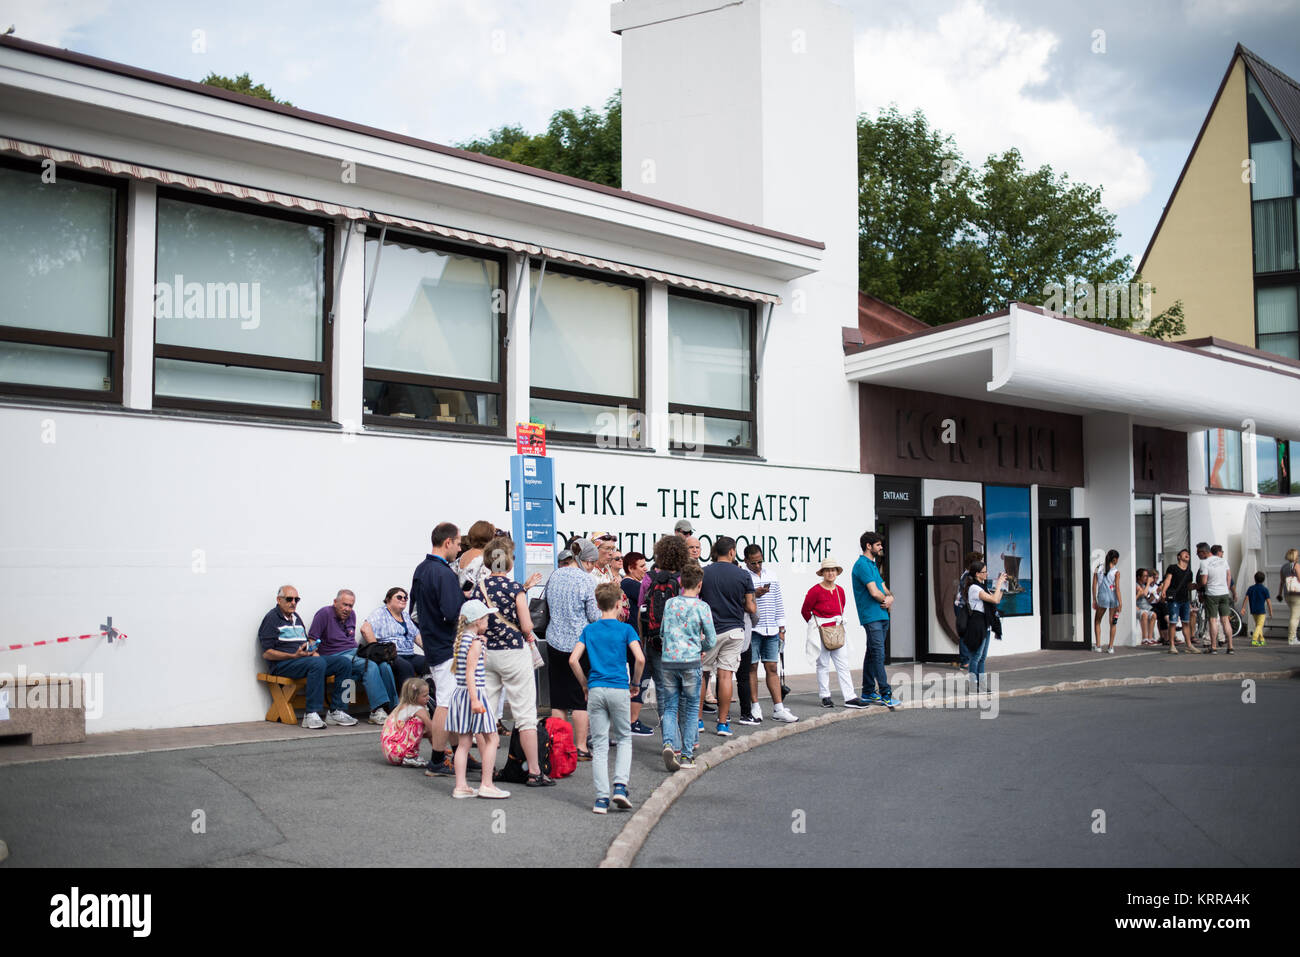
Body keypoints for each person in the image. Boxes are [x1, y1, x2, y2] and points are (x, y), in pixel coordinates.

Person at [476, 536, 553, 787]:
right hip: (514, 654)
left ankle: (488, 766)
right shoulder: (514, 589)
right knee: (525, 715)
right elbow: (527, 625)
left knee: (486, 713)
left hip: (487, 654)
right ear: (508, 563)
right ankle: (533, 771)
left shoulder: (480, 587)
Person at [571, 582, 644, 813]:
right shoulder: (626, 630)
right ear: (618, 603)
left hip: (596, 688)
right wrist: (636, 683)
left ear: (598, 604)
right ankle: (620, 787)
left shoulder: (589, 630)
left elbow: (573, 660)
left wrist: (584, 684)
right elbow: (639, 659)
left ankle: (601, 798)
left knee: (600, 745)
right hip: (619, 688)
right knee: (623, 738)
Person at [411, 522, 468, 777]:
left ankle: (457, 753)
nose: (458, 548)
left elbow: (413, 611)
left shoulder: (421, 569)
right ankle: (436, 758)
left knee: (449, 700)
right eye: (457, 543)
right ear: (447, 542)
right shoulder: (443, 573)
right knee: (446, 702)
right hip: (447, 645)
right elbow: (452, 613)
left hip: (434, 643)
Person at [258, 585, 354, 729]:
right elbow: (267, 653)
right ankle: (311, 714)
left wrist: (311, 651)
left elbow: (305, 643)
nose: (293, 603)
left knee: (344, 662)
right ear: (279, 600)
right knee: (317, 664)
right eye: (289, 599)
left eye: (296, 599)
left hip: (301, 660)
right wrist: (293, 655)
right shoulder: (272, 618)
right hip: (282, 665)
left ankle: (338, 710)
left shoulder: (296, 618)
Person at [445, 600, 508, 799]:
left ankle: (461, 785)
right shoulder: (475, 642)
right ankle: (487, 784)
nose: (488, 621)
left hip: (460, 694)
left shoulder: (463, 639)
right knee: (492, 738)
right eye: (486, 618)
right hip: (475, 694)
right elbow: (472, 672)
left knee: (464, 743)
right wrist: (475, 700)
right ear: (478, 621)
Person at [545, 538, 601, 761]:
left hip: (553, 641)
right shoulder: (588, 582)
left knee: (558, 698)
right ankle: (580, 747)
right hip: (579, 645)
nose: (593, 567)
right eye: (593, 563)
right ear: (586, 561)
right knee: (580, 698)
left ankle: (557, 744)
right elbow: (594, 616)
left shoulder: (555, 575)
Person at [657, 561, 716, 770]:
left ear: (681, 583)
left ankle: (668, 744)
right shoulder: (702, 607)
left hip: (669, 661)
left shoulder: (670, 603)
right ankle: (687, 755)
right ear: (699, 584)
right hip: (691, 661)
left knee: (670, 706)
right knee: (691, 709)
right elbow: (711, 638)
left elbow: (663, 632)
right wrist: (702, 647)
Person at [308, 589, 394, 724]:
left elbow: (349, 640)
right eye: (344, 605)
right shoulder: (324, 613)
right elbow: (312, 639)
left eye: (350, 606)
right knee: (369, 666)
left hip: (353, 652)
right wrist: (315, 657)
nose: (347, 609)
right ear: (335, 602)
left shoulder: (351, 615)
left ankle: (393, 708)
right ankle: (376, 711)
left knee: (383, 663)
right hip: (334, 655)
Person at [698, 536, 755, 736]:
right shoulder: (743, 575)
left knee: (703, 674)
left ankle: (698, 721)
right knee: (725, 675)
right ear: (732, 551)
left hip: (709, 629)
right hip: (734, 630)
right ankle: (722, 723)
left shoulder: (704, 572)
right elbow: (750, 606)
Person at [638, 535, 690, 728]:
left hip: (655, 641)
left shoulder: (649, 578)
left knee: (662, 687)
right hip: (682, 644)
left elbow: (641, 610)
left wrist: (643, 640)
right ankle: (685, 735)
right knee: (683, 690)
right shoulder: (685, 579)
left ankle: (668, 735)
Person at [741, 544, 797, 723]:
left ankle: (778, 708)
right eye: (753, 563)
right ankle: (755, 706)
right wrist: (754, 594)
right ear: (746, 561)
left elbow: (778, 602)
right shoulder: (743, 576)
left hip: (772, 628)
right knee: (752, 668)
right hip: (753, 628)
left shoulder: (771, 575)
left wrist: (782, 628)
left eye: (760, 562)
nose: (757, 566)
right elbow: (741, 602)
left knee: (772, 667)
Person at [852, 532, 899, 707]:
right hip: (871, 616)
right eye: (878, 545)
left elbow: (883, 587)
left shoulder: (872, 565)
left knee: (872, 653)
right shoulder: (862, 565)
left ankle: (868, 691)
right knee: (879, 654)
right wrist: (886, 600)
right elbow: (874, 591)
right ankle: (886, 693)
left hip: (881, 615)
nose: (881, 548)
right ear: (868, 546)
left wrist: (891, 597)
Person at [802, 559, 856, 708]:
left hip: (837, 630)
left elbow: (841, 609)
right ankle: (825, 696)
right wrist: (816, 626)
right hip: (821, 630)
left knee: (843, 664)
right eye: (827, 570)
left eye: (833, 570)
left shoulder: (840, 591)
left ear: (837, 572)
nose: (830, 573)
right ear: (823, 573)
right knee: (823, 664)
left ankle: (850, 696)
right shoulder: (815, 591)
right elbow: (805, 610)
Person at [361, 587, 426, 690]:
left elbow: (417, 636)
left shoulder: (406, 616)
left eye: (405, 598)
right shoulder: (380, 613)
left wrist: (431, 652)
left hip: (409, 654)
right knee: (406, 667)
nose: (403, 599)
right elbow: (365, 629)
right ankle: (407, 702)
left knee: (429, 663)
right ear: (388, 599)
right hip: (392, 655)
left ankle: (428, 699)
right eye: (399, 597)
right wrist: (378, 651)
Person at [620, 551, 654, 736]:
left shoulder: (628, 584)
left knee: (638, 677)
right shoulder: (629, 584)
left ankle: (630, 720)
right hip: (633, 638)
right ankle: (632, 721)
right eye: (641, 566)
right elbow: (649, 597)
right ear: (631, 568)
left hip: (632, 637)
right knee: (640, 677)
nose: (645, 569)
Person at [963, 561, 1006, 693]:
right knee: (975, 657)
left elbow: (997, 599)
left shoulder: (982, 586)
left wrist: (1003, 587)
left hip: (985, 625)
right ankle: (972, 686)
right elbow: (993, 599)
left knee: (982, 658)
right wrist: (998, 583)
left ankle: (981, 686)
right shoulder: (974, 588)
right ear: (977, 574)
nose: (987, 573)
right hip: (977, 626)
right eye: (984, 572)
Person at [381, 677, 437, 768]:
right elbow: (431, 727)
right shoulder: (416, 708)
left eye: (428, 695)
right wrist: (442, 745)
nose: (428, 698)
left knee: (422, 726)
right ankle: (410, 756)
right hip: (396, 751)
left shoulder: (406, 707)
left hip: (391, 751)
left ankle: (410, 755)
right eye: (424, 696)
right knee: (418, 722)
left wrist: (438, 751)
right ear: (414, 697)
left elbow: (429, 733)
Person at [1159, 549, 1199, 654]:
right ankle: (1172, 645)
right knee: (1173, 623)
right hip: (1174, 600)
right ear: (1179, 557)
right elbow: (1168, 580)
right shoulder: (1172, 568)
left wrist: (1197, 586)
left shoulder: (1189, 572)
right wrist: (1163, 591)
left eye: (1188, 554)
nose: (1187, 555)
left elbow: (1189, 586)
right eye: (1184, 553)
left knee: (1186, 622)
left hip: (1185, 600)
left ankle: (1189, 645)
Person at [1201, 544, 1235, 654]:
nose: (1197, 554)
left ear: (1204, 552)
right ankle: (1230, 647)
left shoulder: (1204, 563)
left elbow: (1204, 582)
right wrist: (1227, 587)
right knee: (1225, 620)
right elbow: (1229, 575)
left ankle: (1214, 647)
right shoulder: (1223, 561)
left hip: (1212, 593)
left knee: (1213, 620)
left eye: (1198, 552)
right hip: (1224, 592)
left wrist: (1198, 585)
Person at [1092, 549, 1122, 653]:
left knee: (1097, 620)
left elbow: (1094, 584)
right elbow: (1117, 588)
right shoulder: (1116, 572)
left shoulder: (1098, 567)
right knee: (1113, 622)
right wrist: (1120, 602)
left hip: (1102, 597)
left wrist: (1094, 599)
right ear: (1114, 559)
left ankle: (1098, 645)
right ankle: (1110, 647)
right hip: (1113, 597)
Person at [455, 520, 496, 593]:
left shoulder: (463, 556)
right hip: (476, 601)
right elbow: (485, 586)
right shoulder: (485, 559)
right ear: (490, 538)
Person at [1241, 572, 1272, 647]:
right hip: (1261, 611)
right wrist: (1270, 611)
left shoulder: (1251, 588)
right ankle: (1254, 639)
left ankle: (1262, 640)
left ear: (1254, 579)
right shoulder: (1265, 589)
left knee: (1258, 625)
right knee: (1259, 625)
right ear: (1263, 580)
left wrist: (1243, 608)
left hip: (1253, 610)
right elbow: (1268, 601)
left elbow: (1246, 598)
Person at [1280, 548, 1300, 645]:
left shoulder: (1284, 567)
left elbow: (1282, 582)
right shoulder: (1296, 566)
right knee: (1295, 617)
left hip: (1287, 594)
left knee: (1294, 615)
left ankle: (1293, 636)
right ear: (1295, 557)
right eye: (1298, 555)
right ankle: (1292, 638)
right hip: (1297, 595)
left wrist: (1279, 594)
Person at [1135, 570, 1158, 645]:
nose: (1146, 578)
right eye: (1145, 576)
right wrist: (1148, 583)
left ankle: (1150, 638)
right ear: (1139, 577)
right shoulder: (1136, 585)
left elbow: (1148, 598)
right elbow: (1143, 593)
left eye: (1147, 576)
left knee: (1154, 615)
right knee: (1144, 614)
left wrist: (1154, 594)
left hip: (1146, 607)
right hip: (1138, 608)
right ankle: (1144, 638)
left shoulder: (1144, 586)